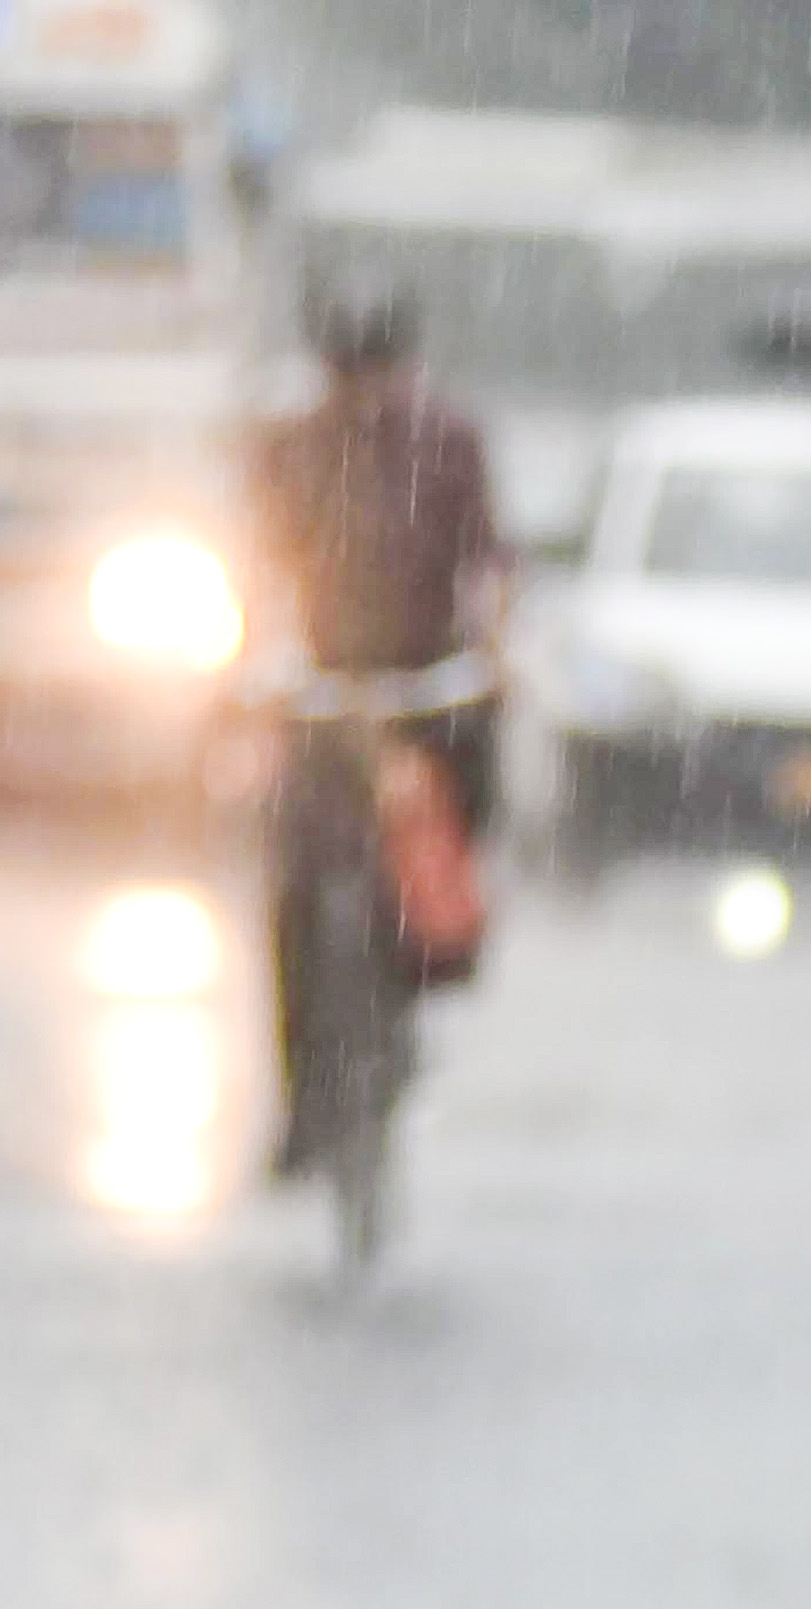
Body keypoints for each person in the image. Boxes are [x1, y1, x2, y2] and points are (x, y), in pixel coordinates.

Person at [245, 287, 503, 1163]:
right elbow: (252, 564)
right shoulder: (292, 449)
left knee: (446, 852)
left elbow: (490, 564)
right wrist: (248, 663)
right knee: (294, 892)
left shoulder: (450, 445)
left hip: (430, 693)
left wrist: (494, 656)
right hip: (321, 696)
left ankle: (420, 983)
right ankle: (305, 1105)